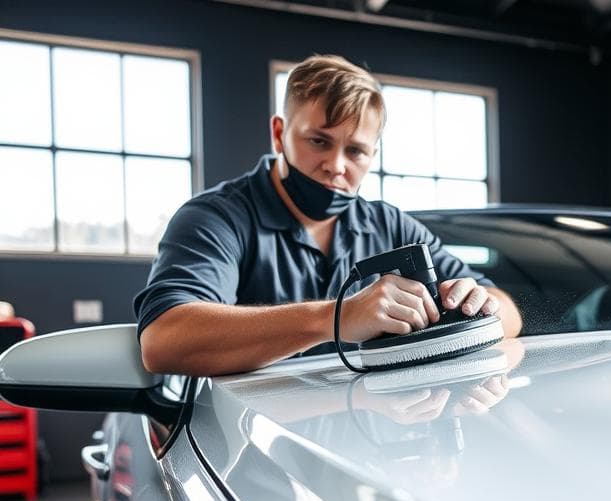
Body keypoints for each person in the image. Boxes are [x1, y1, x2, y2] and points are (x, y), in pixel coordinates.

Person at [135, 54, 520, 376]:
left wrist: (475, 304)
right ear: (278, 133)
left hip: (369, 446)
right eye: (319, 141)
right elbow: (162, 341)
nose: (336, 166)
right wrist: (336, 318)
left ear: (373, 156)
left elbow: (509, 314)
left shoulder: (390, 225)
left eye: (355, 151)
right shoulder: (217, 218)